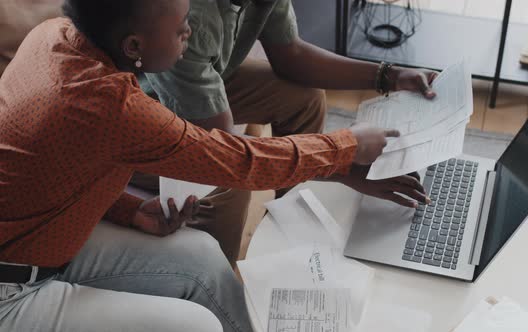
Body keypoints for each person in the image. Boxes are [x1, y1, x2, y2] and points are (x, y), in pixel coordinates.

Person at [0, 0, 428, 331]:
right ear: (134, 47)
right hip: (11, 290)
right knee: (198, 326)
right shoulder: (109, 104)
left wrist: (130, 210)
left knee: (203, 255)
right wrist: (345, 146)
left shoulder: (52, 34)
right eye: (180, 27)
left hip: (38, 241)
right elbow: (235, 161)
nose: (190, 30)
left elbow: (48, 179)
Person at [134, 0, 439, 266]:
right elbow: (228, 155)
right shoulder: (188, 18)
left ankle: (286, 233)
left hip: (206, 88)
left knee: (304, 99)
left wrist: (390, 75)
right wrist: (341, 162)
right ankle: (219, 284)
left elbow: (291, 54)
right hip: (145, 120)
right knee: (228, 184)